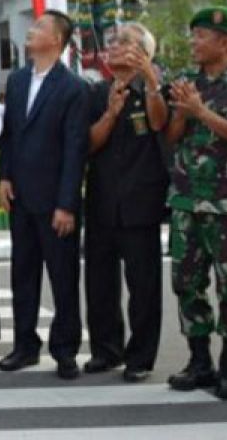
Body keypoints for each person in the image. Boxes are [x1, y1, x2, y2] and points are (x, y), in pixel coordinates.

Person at [0, 9, 90, 379]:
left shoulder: (72, 88)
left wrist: (67, 203)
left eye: (39, 28)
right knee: (23, 273)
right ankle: (24, 345)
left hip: (55, 201)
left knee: (63, 276)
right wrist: (4, 176)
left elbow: (75, 149)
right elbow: (9, 134)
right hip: (21, 196)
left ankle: (65, 349)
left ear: (57, 40)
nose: (31, 32)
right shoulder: (18, 81)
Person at [82, 23, 169, 383]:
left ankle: (141, 357)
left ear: (144, 53)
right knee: (99, 281)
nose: (114, 47)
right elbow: (88, 144)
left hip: (141, 201)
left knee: (143, 285)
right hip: (102, 200)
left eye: (125, 43)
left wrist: (150, 80)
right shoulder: (97, 92)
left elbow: (159, 124)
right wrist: (111, 113)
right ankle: (106, 350)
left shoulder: (153, 89)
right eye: (114, 42)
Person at [164, 6, 227, 397]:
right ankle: (199, 360)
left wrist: (201, 111)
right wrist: (182, 113)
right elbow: (172, 137)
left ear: (224, 42)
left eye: (200, 36)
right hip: (188, 201)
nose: (194, 43)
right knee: (186, 283)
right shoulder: (186, 81)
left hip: (226, 205)